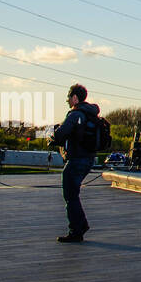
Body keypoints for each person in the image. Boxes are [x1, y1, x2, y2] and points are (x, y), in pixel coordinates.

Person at [51, 83, 100, 243]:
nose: (67, 101)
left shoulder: (75, 114)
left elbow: (59, 136)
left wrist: (50, 134)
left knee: (70, 196)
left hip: (76, 159)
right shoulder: (91, 113)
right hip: (88, 159)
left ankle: (76, 231)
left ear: (74, 97)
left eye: (68, 97)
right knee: (73, 195)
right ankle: (81, 225)